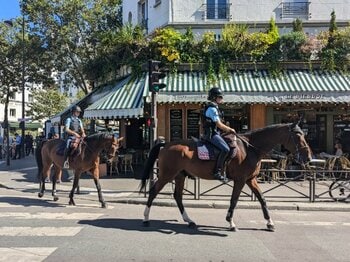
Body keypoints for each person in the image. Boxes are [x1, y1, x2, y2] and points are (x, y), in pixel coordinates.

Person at [202, 87, 236, 182]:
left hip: (215, 133)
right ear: (214, 98)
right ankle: (217, 171)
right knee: (226, 149)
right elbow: (218, 124)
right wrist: (230, 129)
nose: (222, 99)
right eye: (220, 97)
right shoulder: (212, 109)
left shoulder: (214, 107)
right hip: (211, 134)